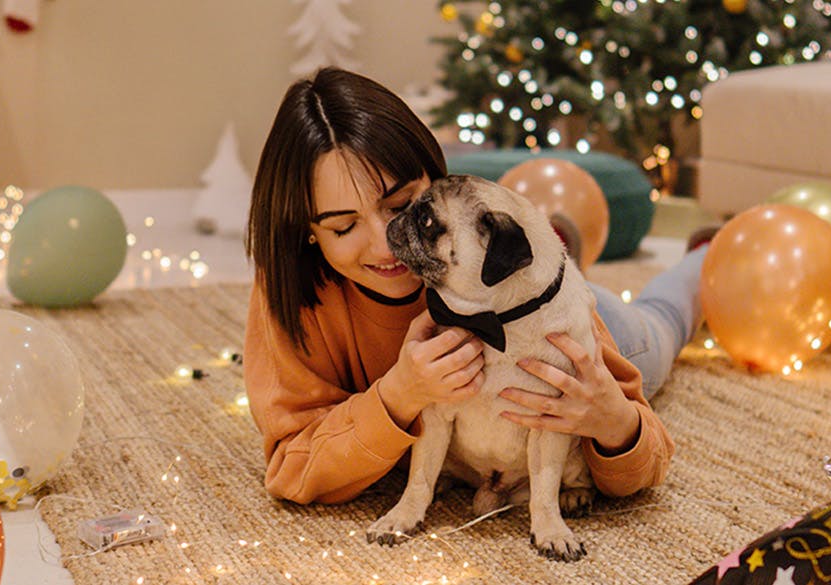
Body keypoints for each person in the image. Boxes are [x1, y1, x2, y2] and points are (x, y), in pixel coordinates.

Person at [240, 67, 708, 505]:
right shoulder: (293, 290)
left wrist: (613, 422)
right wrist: (399, 394)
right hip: (509, 283)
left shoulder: (552, 307)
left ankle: (706, 255)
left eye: (402, 205)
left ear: (435, 176)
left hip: (566, 309)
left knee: (663, 319)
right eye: (343, 227)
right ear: (306, 231)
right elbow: (291, 469)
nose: (386, 245)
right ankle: (553, 245)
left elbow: (650, 461)